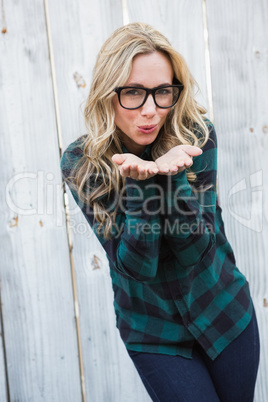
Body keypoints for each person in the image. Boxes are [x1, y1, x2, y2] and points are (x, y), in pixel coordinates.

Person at [60, 22, 260, 402]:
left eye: (162, 92)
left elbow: (194, 251)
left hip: (225, 314)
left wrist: (171, 176)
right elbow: (138, 266)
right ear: (107, 94)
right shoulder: (81, 164)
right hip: (153, 333)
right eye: (133, 92)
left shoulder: (197, 135)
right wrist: (140, 182)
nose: (151, 110)